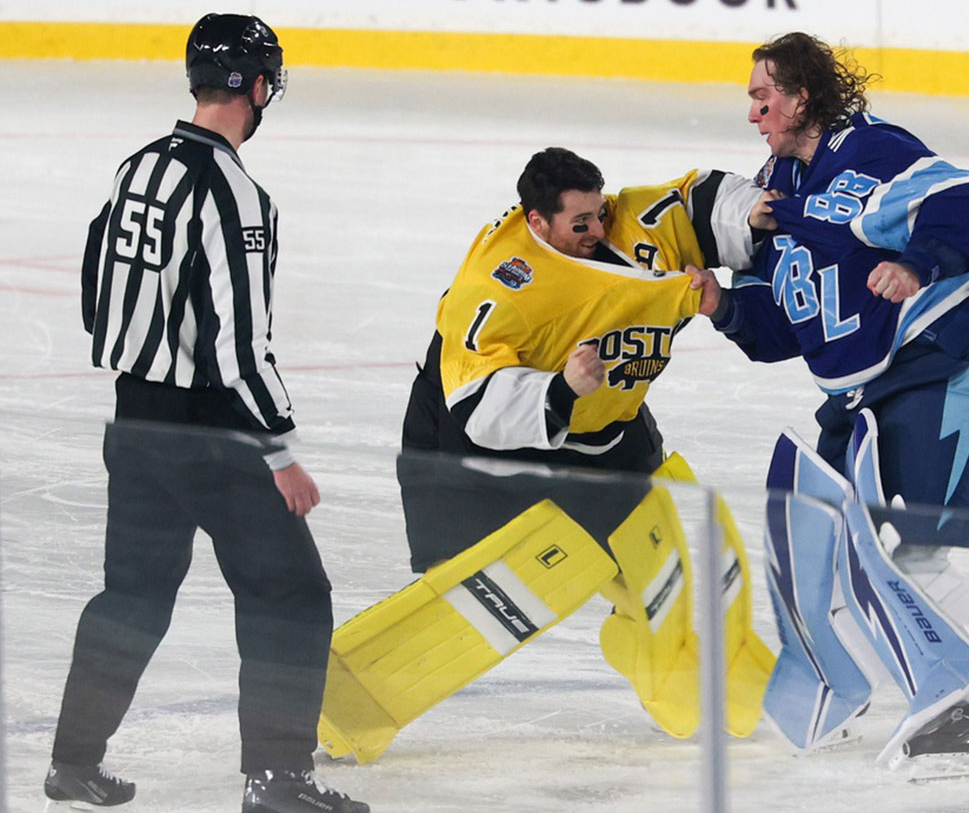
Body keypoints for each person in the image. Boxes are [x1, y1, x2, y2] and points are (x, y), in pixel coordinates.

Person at [316, 148, 775, 763]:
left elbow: (700, 199)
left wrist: (757, 214)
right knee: (469, 584)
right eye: (579, 223)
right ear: (537, 223)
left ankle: (688, 672)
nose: (597, 231)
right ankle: (344, 705)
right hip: (465, 440)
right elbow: (476, 405)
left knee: (651, 547)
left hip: (607, 424)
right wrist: (560, 391)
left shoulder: (630, 225)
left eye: (600, 213)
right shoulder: (501, 284)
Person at [691, 33, 969, 778]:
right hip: (872, 388)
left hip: (950, 354)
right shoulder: (778, 183)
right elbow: (788, 325)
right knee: (838, 545)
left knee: (910, 546)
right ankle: (869, 685)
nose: (754, 115)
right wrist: (722, 303)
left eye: (762, 97)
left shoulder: (869, 152)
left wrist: (917, 262)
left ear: (801, 96)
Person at [58, 13, 369, 813]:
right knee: (290, 594)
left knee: (131, 596)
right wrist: (280, 451)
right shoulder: (233, 191)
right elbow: (239, 346)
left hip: (134, 420)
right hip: (214, 434)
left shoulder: (140, 166)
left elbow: (98, 291)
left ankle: (73, 762)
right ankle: (277, 778)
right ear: (257, 87)